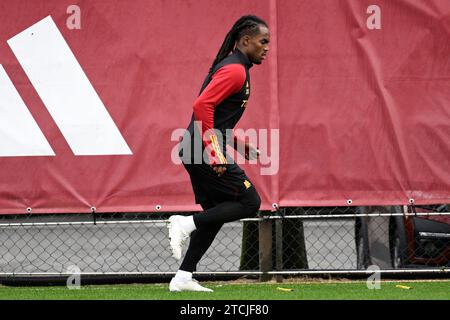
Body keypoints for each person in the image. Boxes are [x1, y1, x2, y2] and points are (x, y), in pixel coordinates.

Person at [168, 15, 270, 292]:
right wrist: (216, 153)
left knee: (217, 213)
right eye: (263, 42)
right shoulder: (235, 70)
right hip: (200, 151)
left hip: (194, 148)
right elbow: (202, 106)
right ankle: (184, 222)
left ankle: (183, 278)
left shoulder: (237, 68)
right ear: (246, 41)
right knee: (250, 201)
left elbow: (217, 117)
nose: (267, 47)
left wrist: (238, 144)